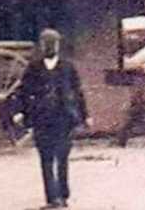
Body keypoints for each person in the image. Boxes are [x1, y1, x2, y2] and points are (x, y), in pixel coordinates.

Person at [16, 29, 90, 209]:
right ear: (41, 46)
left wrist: (86, 115)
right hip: (41, 118)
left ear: (57, 45)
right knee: (46, 158)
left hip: (64, 117)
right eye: (45, 43)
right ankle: (52, 198)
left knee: (62, 157)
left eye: (52, 43)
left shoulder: (68, 67)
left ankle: (63, 196)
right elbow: (23, 92)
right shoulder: (33, 68)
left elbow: (78, 92)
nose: (49, 47)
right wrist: (21, 112)